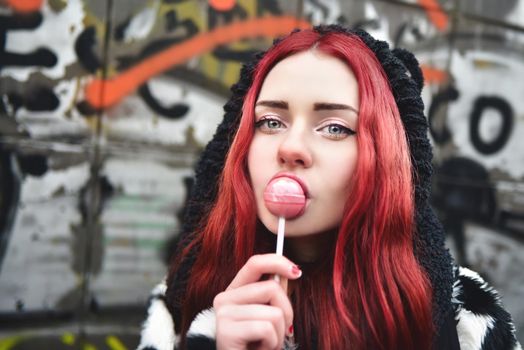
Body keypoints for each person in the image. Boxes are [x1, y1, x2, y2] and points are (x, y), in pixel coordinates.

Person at [137, 25, 521, 350]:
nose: (290, 148)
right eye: (271, 121)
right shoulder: (188, 302)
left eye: (335, 127)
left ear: (384, 155)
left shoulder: (458, 318)